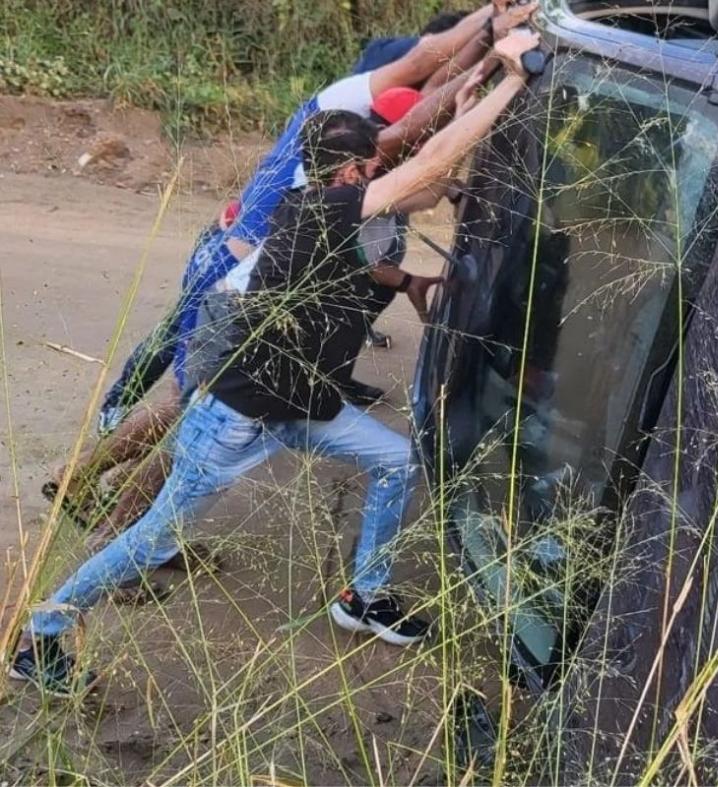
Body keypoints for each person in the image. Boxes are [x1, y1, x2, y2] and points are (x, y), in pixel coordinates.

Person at [10, 31, 540, 695]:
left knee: (398, 461)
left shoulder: (326, 208)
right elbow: (426, 166)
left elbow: (420, 180)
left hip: (296, 408)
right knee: (150, 540)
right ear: (349, 174)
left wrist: (470, 93)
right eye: (372, 167)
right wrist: (515, 81)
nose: (380, 173)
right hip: (234, 416)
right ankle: (42, 633)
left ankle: (364, 593)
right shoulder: (321, 210)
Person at [45, 1, 536, 544]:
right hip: (233, 283)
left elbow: (401, 203)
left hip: (233, 281)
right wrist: (499, 62)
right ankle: (120, 539)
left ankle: (83, 483)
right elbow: (419, 126)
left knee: (185, 402)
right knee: (194, 417)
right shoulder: (350, 153)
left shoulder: (349, 161)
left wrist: (476, 80)